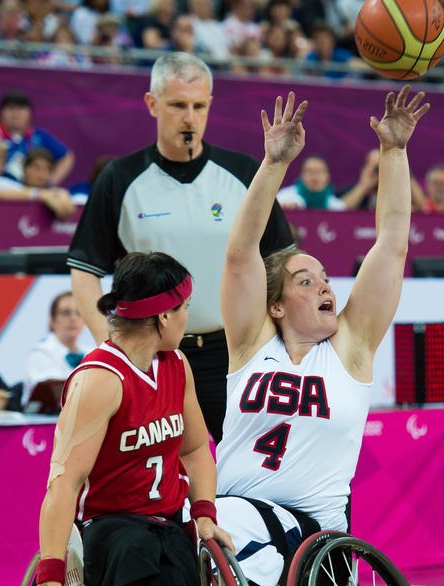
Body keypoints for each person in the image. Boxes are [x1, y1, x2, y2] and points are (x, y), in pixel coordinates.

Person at [214, 87, 428, 586]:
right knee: (166, 527)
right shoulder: (250, 345)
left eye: (326, 277)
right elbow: (241, 254)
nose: (325, 285)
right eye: (305, 280)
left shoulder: (350, 350)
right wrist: (272, 165)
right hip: (232, 523)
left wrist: (393, 153)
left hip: (314, 544)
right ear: (276, 305)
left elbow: (392, 244)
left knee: (212, 527)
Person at [21, 252, 233, 586]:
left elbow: (197, 449)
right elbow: (63, 482)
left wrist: (203, 512)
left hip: (166, 517)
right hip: (106, 523)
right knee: (136, 552)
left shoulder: (177, 364)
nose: (188, 318)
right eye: (183, 308)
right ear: (162, 315)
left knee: (179, 579)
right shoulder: (100, 379)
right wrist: (50, 577)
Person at [68, 53, 294, 443]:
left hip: (235, 353)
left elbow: (283, 262)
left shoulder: (243, 173)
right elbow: (85, 268)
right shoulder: (120, 178)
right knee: (156, 476)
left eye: (199, 106)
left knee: (248, 471)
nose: (189, 117)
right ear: (152, 104)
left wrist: (286, 338)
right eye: (177, 105)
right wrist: (112, 342)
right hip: (151, 353)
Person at [0, 91, 74, 185]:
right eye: (11, 108)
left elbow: (67, 157)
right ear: (1, 113)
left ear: (30, 113)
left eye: (21, 109)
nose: (16, 114)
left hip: (30, 193)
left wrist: (49, 183)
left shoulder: (39, 136)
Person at [26, 291, 88, 389]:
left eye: (78, 313)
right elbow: (53, 390)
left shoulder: (91, 351)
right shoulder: (40, 352)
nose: (73, 318)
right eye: (66, 313)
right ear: (52, 320)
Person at [275, 155, 347, 210]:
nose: (314, 176)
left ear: (328, 176)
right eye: (309, 171)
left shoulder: (337, 207)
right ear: (301, 175)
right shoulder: (282, 198)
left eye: (319, 171)